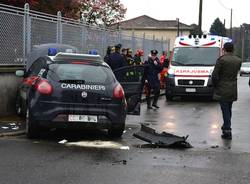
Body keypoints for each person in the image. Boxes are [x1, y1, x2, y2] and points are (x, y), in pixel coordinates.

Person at [212, 42, 242, 140]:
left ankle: (227, 130)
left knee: (225, 110)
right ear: (233, 49)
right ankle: (225, 126)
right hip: (233, 87)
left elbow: (215, 75)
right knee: (228, 109)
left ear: (224, 49)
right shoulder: (238, 60)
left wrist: (215, 85)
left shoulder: (221, 60)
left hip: (222, 87)